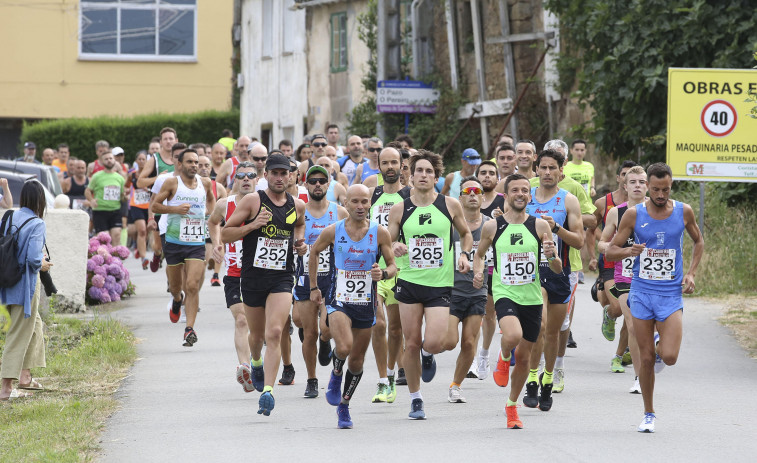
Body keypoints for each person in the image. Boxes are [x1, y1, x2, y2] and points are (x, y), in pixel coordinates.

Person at [606, 162, 703, 433]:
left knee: (669, 357)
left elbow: (699, 241)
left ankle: (662, 350)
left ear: (671, 187)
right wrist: (629, 252)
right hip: (641, 293)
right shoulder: (633, 215)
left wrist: (692, 273)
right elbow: (610, 251)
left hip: (670, 294)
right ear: (647, 186)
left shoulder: (684, 211)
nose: (661, 194)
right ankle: (649, 413)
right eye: (656, 189)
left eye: (666, 189)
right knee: (646, 358)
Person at [386, 149, 473, 419]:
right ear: (410, 176)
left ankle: (428, 353)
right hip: (409, 281)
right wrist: (395, 245)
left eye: (429, 171)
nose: (423, 175)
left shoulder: (449, 205)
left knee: (435, 340)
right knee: (409, 343)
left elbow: (466, 234)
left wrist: (464, 254)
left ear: (436, 177)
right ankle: (416, 399)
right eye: (419, 171)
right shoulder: (400, 207)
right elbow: (386, 240)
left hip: (439, 284)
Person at [472, 173, 562, 428]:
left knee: (523, 359)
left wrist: (552, 255)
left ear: (529, 196)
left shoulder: (540, 226)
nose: (521, 194)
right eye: (515, 190)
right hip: (504, 292)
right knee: (511, 335)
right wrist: (478, 272)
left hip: (532, 296)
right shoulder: (493, 226)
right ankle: (502, 357)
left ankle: (512, 407)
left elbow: (556, 268)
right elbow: (479, 255)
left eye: (525, 190)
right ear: (507, 195)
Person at [222, 153, 307, 416]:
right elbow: (225, 233)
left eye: (285, 173)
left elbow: (300, 225)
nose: (280, 178)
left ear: (291, 176)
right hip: (252, 277)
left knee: (275, 332)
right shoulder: (253, 201)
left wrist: (300, 243)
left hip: (281, 277)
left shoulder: (297, 205)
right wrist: (253, 225)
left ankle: (269, 391)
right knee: (256, 336)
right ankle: (255, 362)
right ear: (265, 175)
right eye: (275, 173)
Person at [310, 184, 397, 428]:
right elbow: (314, 252)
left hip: (366, 304)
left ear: (370, 204)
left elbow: (392, 265)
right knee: (344, 346)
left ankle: (344, 407)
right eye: (355, 202)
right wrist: (314, 287)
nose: (360, 207)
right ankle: (336, 374)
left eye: (365, 202)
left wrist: (384, 273)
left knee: (357, 362)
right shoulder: (333, 231)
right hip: (339, 300)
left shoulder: (380, 233)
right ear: (345, 203)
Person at [521, 149, 584, 412]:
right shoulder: (525, 198)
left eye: (552, 168)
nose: (547, 173)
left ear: (561, 171)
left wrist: (556, 228)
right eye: (543, 168)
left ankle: (548, 378)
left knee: (553, 332)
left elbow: (579, 240)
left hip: (558, 270)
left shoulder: (568, 201)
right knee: (539, 325)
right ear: (536, 169)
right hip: (531, 271)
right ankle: (532, 379)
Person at [291, 166, 347, 398]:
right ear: (305, 185)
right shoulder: (298, 211)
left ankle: (326, 341)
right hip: (305, 277)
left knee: (326, 328)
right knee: (308, 332)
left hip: (332, 278)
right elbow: (291, 238)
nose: (317, 184)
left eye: (322, 181)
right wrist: (299, 247)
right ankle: (312, 380)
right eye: (312, 180)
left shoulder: (340, 212)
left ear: (328, 184)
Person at [151, 149, 216, 347]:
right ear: (180, 164)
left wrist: (209, 214)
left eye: (196, 162)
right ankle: (177, 300)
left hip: (196, 242)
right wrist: (174, 209)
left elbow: (211, 199)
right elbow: (155, 206)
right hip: (173, 241)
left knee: (193, 285)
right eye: (190, 162)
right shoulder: (172, 183)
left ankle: (189, 328)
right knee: (176, 287)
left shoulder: (204, 183)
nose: (194, 165)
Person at [208, 161, 258, 392]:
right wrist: (217, 244)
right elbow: (213, 222)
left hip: (262, 272)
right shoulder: (224, 204)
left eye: (251, 175)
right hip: (235, 273)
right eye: (242, 176)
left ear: (258, 179)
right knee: (241, 320)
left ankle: (256, 362)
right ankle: (245, 367)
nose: (246, 179)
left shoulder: (266, 203)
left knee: (261, 328)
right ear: (234, 180)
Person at [598, 165, 648, 394]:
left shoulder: (658, 210)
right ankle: (639, 377)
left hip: (653, 277)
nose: (638, 186)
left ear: (648, 186)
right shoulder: (615, 212)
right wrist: (615, 247)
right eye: (633, 182)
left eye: (642, 182)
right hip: (624, 275)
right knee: (633, 325)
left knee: (648, 326)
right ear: (625, 186)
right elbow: (602, 242)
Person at [368, 146, 411, 402]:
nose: (390, 167)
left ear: (401, 165)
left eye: (394, 162)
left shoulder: (410, 196)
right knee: (378, 324)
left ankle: (393, 375)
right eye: (385, 163)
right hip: (374, 268)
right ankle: (382, 379)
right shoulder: (371, 195)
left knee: (395, 330)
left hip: (401, 268)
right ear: (379, 166)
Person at [443, 177, 491, 403]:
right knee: (449, 341)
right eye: (467, 191)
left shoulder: (491, 225)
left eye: (477, 191)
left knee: (469, 342)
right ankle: (426, 353)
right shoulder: (449, 225)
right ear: (460, 197)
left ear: (483, 196)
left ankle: (455, 385)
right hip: (451, 290)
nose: (473, 194)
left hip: (477, 291)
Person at [0, 180, 48, 400]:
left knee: (35, 324)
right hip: (25, 285)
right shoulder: (37, 223)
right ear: (41, 200)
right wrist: (43, 264)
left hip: (6, 282)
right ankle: (6, 387)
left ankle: (25, 376)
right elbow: (33, 258)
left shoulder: (9, 216)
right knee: (18, 333)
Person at [470, 160, 505, 380]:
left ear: (497, 178)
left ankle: (484, 354)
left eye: (491, 173)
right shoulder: (468, 199)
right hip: (471, 266)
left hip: (496, 266)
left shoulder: (504, 201)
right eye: (483, 173)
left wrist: (503, 220)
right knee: (474, 314)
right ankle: (472, 359)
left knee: (489, 314)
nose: (487, 176)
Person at [86, 151, 126, 244]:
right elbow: (87, 190)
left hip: (115, 210)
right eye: (106, 159)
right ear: (102, 161)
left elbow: (122, 195)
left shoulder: (120, 178)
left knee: (117, 234)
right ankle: (104, 257)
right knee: (104, 237)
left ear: (114, 160)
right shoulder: (96, 176)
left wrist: (125, 197)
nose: (109, 161)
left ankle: (115, 258)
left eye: (111, 158)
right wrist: (91, 200)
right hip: (100, 211)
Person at [126, 151, 151, 270]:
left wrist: (148, 189)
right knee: (141, 230)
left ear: (147, 161)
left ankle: (141, 249)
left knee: (147, 231)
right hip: (136, 205)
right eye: (139, 159)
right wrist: (126, 193)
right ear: (136, 161)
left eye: (143, 159)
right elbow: (126, 186)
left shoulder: (151, 175)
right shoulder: (132, 175)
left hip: (149, 206)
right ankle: (144, 258)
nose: (141, 161)